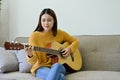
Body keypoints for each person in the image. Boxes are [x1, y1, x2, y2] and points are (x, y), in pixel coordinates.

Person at [25, 8, 80, 80]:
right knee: (61, 77)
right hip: (41, 67)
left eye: (49, 20)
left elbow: (76, 41)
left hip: (59, 66)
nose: (46, 23)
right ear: (40, 22)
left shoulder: (60, 33)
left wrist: (69, 49)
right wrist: (30, 55)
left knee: (57, 66)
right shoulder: (34, 36)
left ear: (54, 21)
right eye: (43, 20)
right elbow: (33, 61)